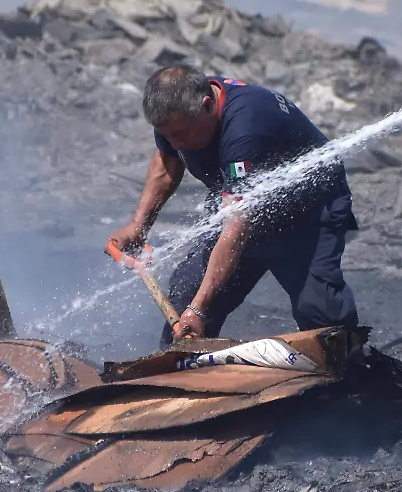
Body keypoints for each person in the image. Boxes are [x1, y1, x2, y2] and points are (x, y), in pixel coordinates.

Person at [108, 65, 360, 347]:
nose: (176, 142)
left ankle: (348, 373)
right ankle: (186, 372)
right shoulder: (176, 119)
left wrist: (199, 308)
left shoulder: (246, 127)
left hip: (306, 213)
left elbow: (237, 228)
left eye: (181, 134)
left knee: (320, 312)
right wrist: (139, 226)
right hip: (239, 203)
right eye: (167, 135)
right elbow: (167, 163)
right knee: (185, 298)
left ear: (206, 105)